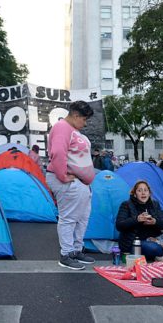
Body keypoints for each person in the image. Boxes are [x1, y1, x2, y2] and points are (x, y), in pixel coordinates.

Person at [46, 101, 96, 270]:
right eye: (84, 119)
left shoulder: (71, 130)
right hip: (67, 180)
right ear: (75, 115)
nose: (85, 123)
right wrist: (62, 176)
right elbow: (58, 152)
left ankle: (75, 250)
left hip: (79, 181)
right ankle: (66, 254)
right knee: (69, 218)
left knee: (82, 217)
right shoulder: (62, 127)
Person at [116, 180, 163, 260]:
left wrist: (154, 221)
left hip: (157, 238)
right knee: (154, 248)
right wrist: (137, 219)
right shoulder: (126, 205)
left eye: (146, 190)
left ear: (149, 193)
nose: (143, 193)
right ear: (135, 194)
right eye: (139, 190)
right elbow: (119, 225)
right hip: (137, 242)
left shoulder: (154, 204)